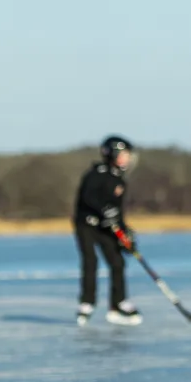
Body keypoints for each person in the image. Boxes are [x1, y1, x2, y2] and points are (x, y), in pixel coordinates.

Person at [74, 136, 139, 326]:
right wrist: (103, 210)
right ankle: (87, 303)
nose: (126, 159)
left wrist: (124, 233)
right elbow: (87, 198)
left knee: (117, 262)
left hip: (106, 227)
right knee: (90, 261)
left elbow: (118, 211)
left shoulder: (119, 179)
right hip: (87, 225)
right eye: (123, 155)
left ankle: (118, 304)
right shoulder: (96, 174)